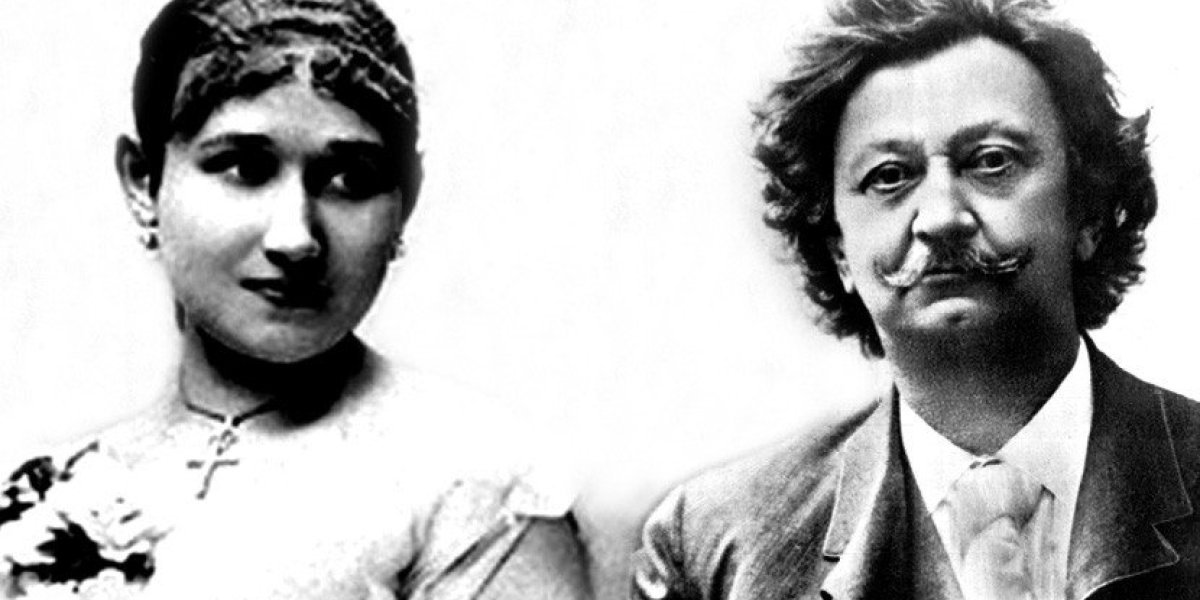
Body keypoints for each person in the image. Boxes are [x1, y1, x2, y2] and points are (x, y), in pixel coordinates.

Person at [0, 1, 591, 598]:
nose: (296, 238)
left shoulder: (478, 483)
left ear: (405, 202)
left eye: (351, 179)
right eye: (243, 167)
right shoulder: (52, 492)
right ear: (142, 183)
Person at [632, 0, 1199, 598]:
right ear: (838, 250)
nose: (941, 218)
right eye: (889, 176)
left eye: (991, 162)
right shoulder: (715, 546)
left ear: (1088, 211)